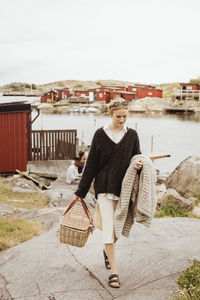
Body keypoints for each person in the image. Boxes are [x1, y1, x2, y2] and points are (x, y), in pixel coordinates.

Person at [75, 97, 143, 288]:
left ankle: (108, 251)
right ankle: (114, 271)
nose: (122, 120)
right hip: (104, 188)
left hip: (124, 188)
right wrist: (81, 191)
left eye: (125, 116)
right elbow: (91, 165)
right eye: (118, 116)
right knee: (108, 230)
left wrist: (137, 163)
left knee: (117, 229)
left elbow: (137, 155)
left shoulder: (132, 135)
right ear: (110, 114)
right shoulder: (100, 135)